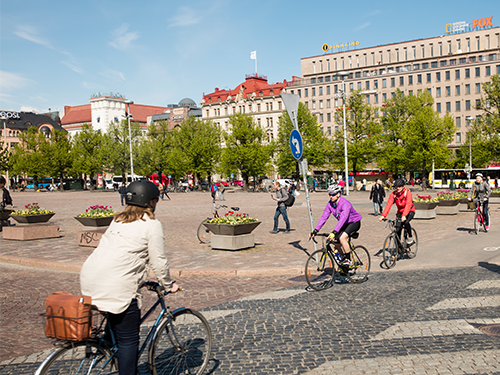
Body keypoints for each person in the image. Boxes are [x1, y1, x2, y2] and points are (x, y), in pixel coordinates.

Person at [80, 180, 179, 375]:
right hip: (116, 286)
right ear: (151, 202)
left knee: (114, 319)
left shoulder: (117, 220)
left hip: (90, 278)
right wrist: (168, 284)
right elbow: (158, 261)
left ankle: (106, 347)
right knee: (128, 342)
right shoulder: (152, 225)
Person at [309, 184, 362, 266]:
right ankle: (344, 265)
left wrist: (334, 232)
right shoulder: (330, 204)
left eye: (333, 194)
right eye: (329, 194)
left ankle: (348, 260)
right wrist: (316, 230)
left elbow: (343, 218)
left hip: (354, 222)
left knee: (342, 238)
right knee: (335, 244)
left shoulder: (345, 204)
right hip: (344, 224)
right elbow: (324, 217)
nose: (331, 196)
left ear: (338, 194)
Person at [379, 179, 416, 245]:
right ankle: (398, 250)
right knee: (397, 230)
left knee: (406, 222)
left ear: (403, 186)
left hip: (410, 211)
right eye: (396, 186)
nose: (398, 188)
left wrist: (404, 215)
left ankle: (410, 236)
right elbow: (389, 205)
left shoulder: (407, 193)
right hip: (400, 212)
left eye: (399, 186)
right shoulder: (393, 194)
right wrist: (383, 215)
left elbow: (408, 204)